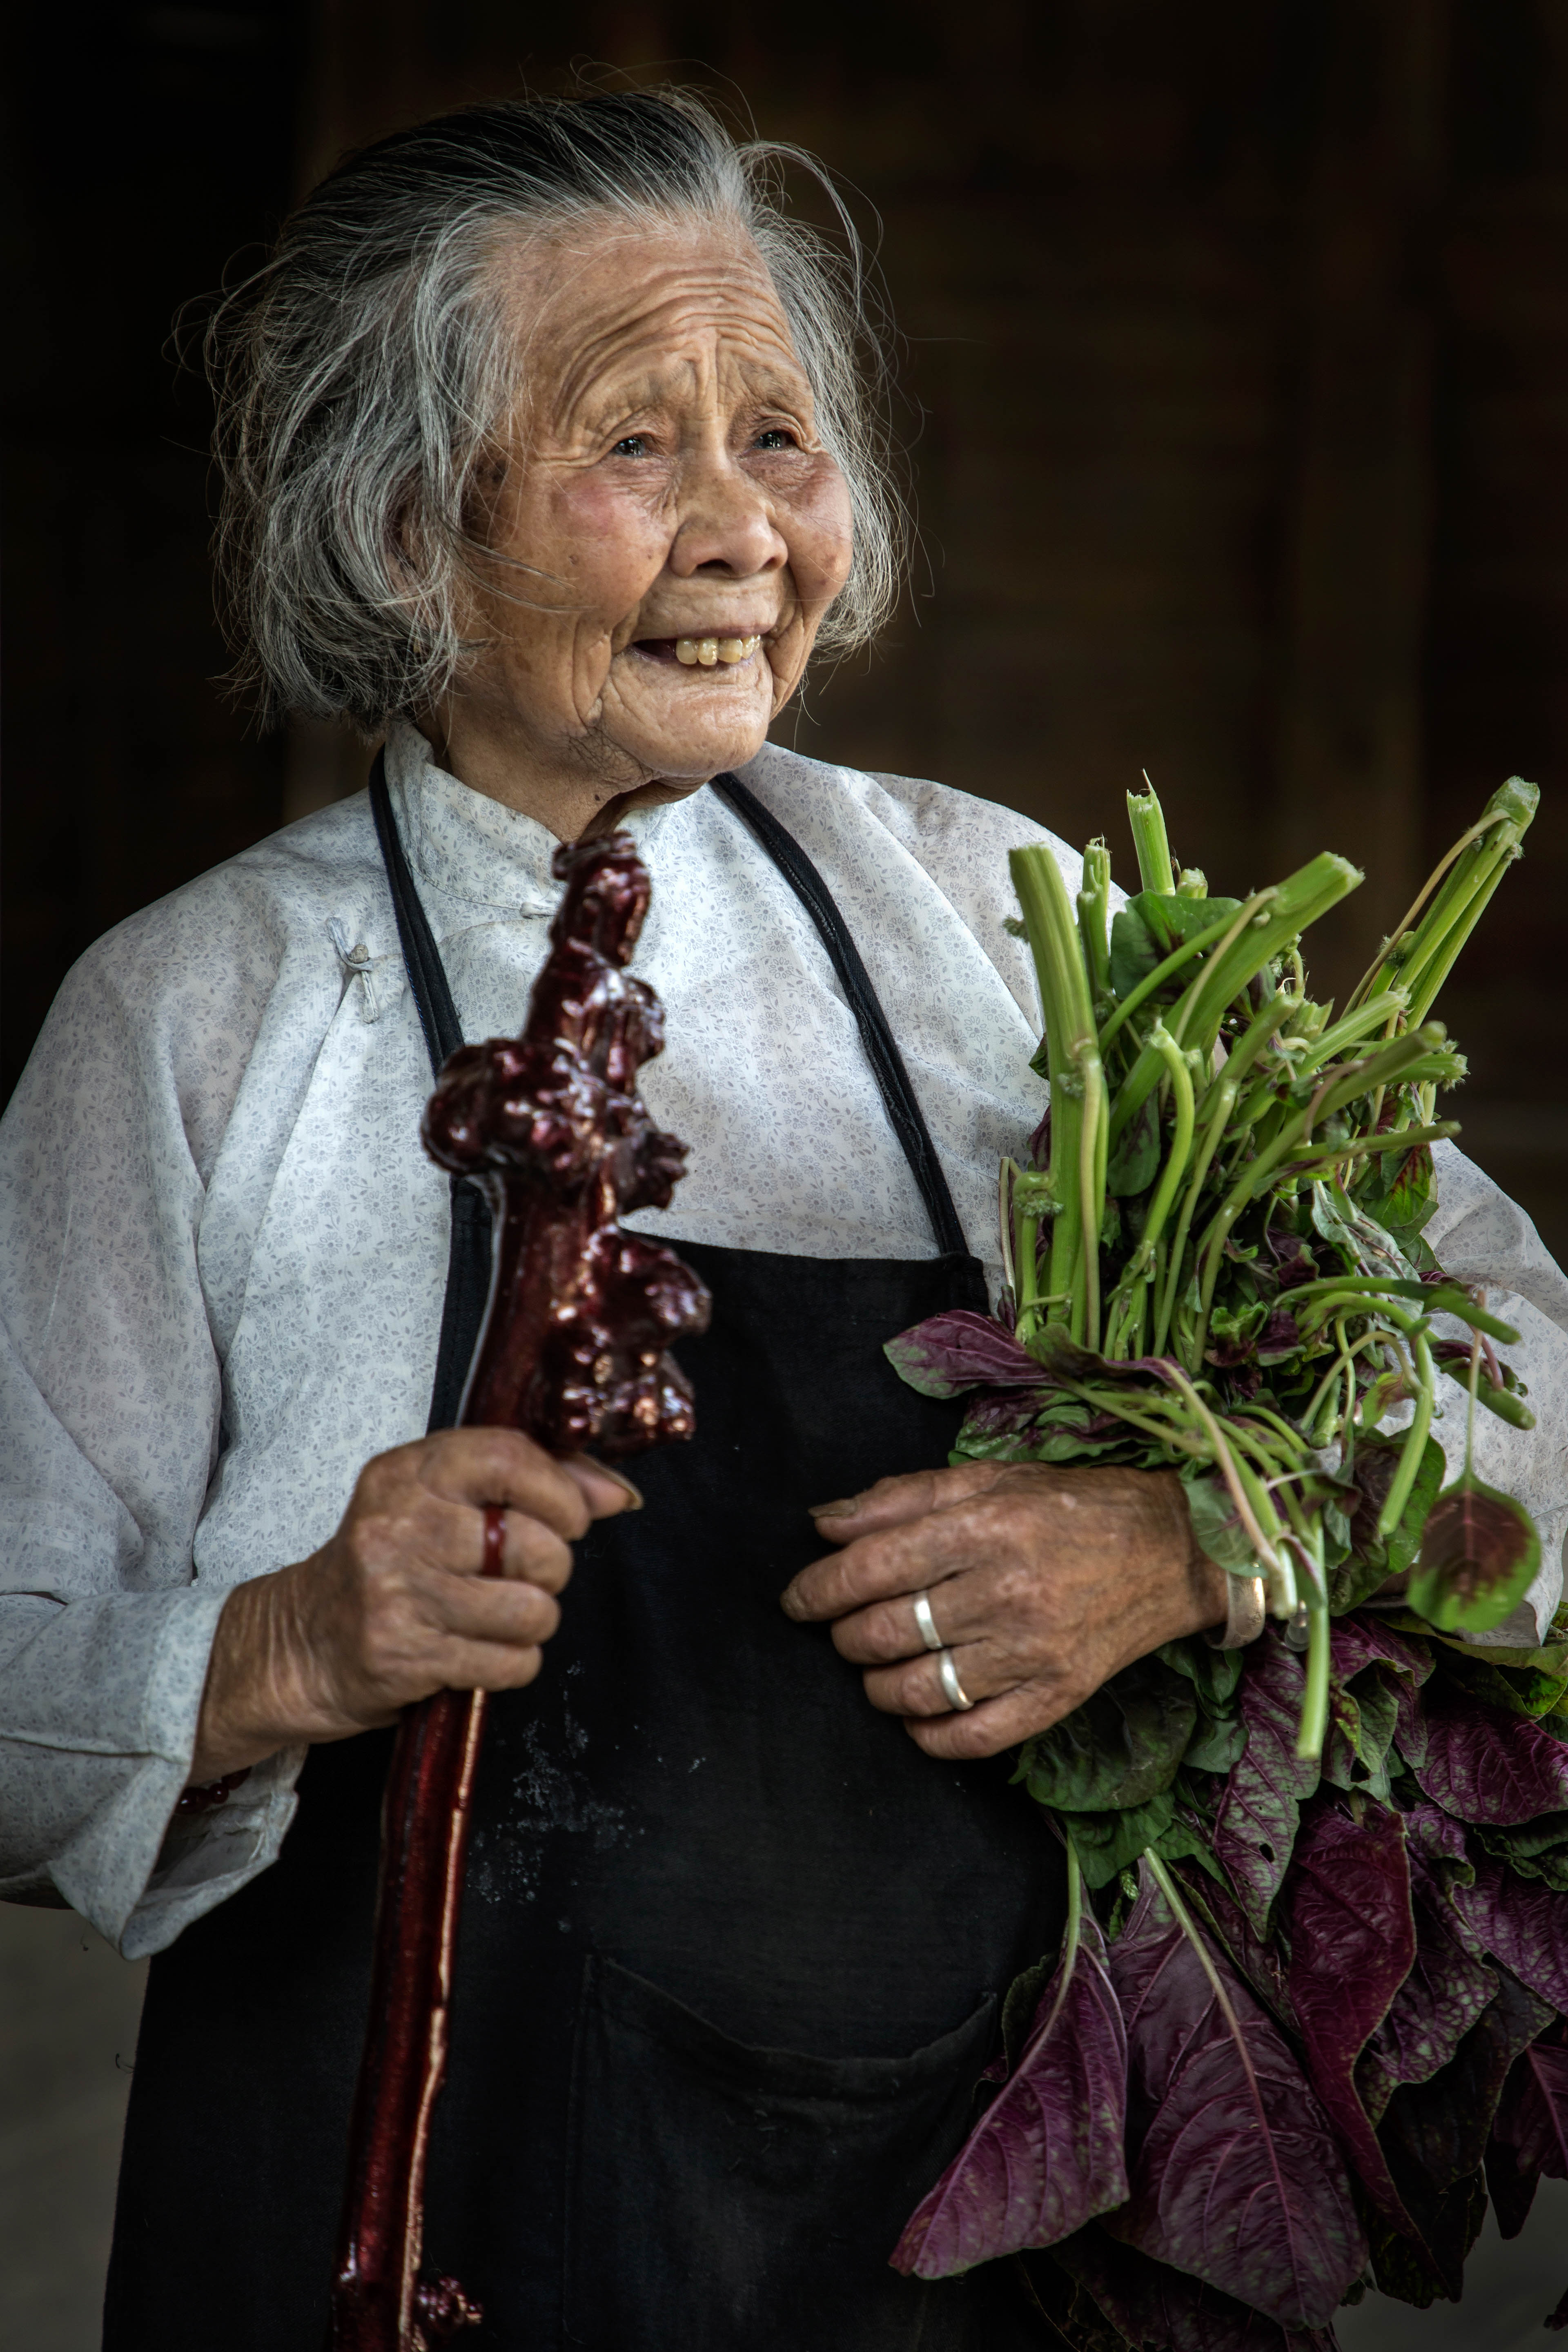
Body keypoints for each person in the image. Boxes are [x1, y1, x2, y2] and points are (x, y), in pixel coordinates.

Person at [2, 87, 1565, 2352]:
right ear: (403, 524)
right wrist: (285, 1651)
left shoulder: (1013, 937)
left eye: (782, 436)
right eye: (639, 444)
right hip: (390, 2225)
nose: (747, 528)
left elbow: (1522, 1369)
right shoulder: (198, 1019)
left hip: (974, 2241)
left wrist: (1198, 1535)